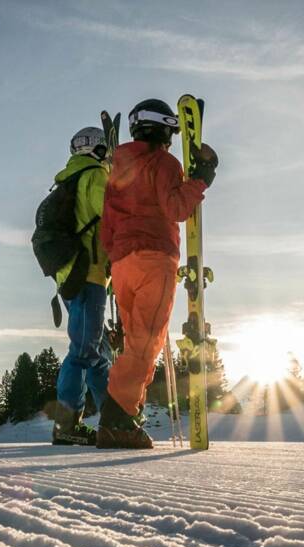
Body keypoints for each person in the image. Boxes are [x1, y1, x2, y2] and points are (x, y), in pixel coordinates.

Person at [97, 98, 217, 449]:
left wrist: (111, 261)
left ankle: (123, 412)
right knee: (145, 341)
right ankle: (117, 419)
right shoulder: (164, 162)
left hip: (121, 263)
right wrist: (201, 179)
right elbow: (177, 207)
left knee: (135, 339)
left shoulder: (117, 167)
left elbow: (108, 223)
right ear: (164, 128)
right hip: (154, 256)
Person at [52, 126, 112, 446]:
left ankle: (115, 418)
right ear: (99, 151)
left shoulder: (69, 178)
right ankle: (67, 425)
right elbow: (113, 217)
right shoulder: (94, 177)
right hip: (88, 275)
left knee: (99, 352)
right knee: (83, 352)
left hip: (70, 277)